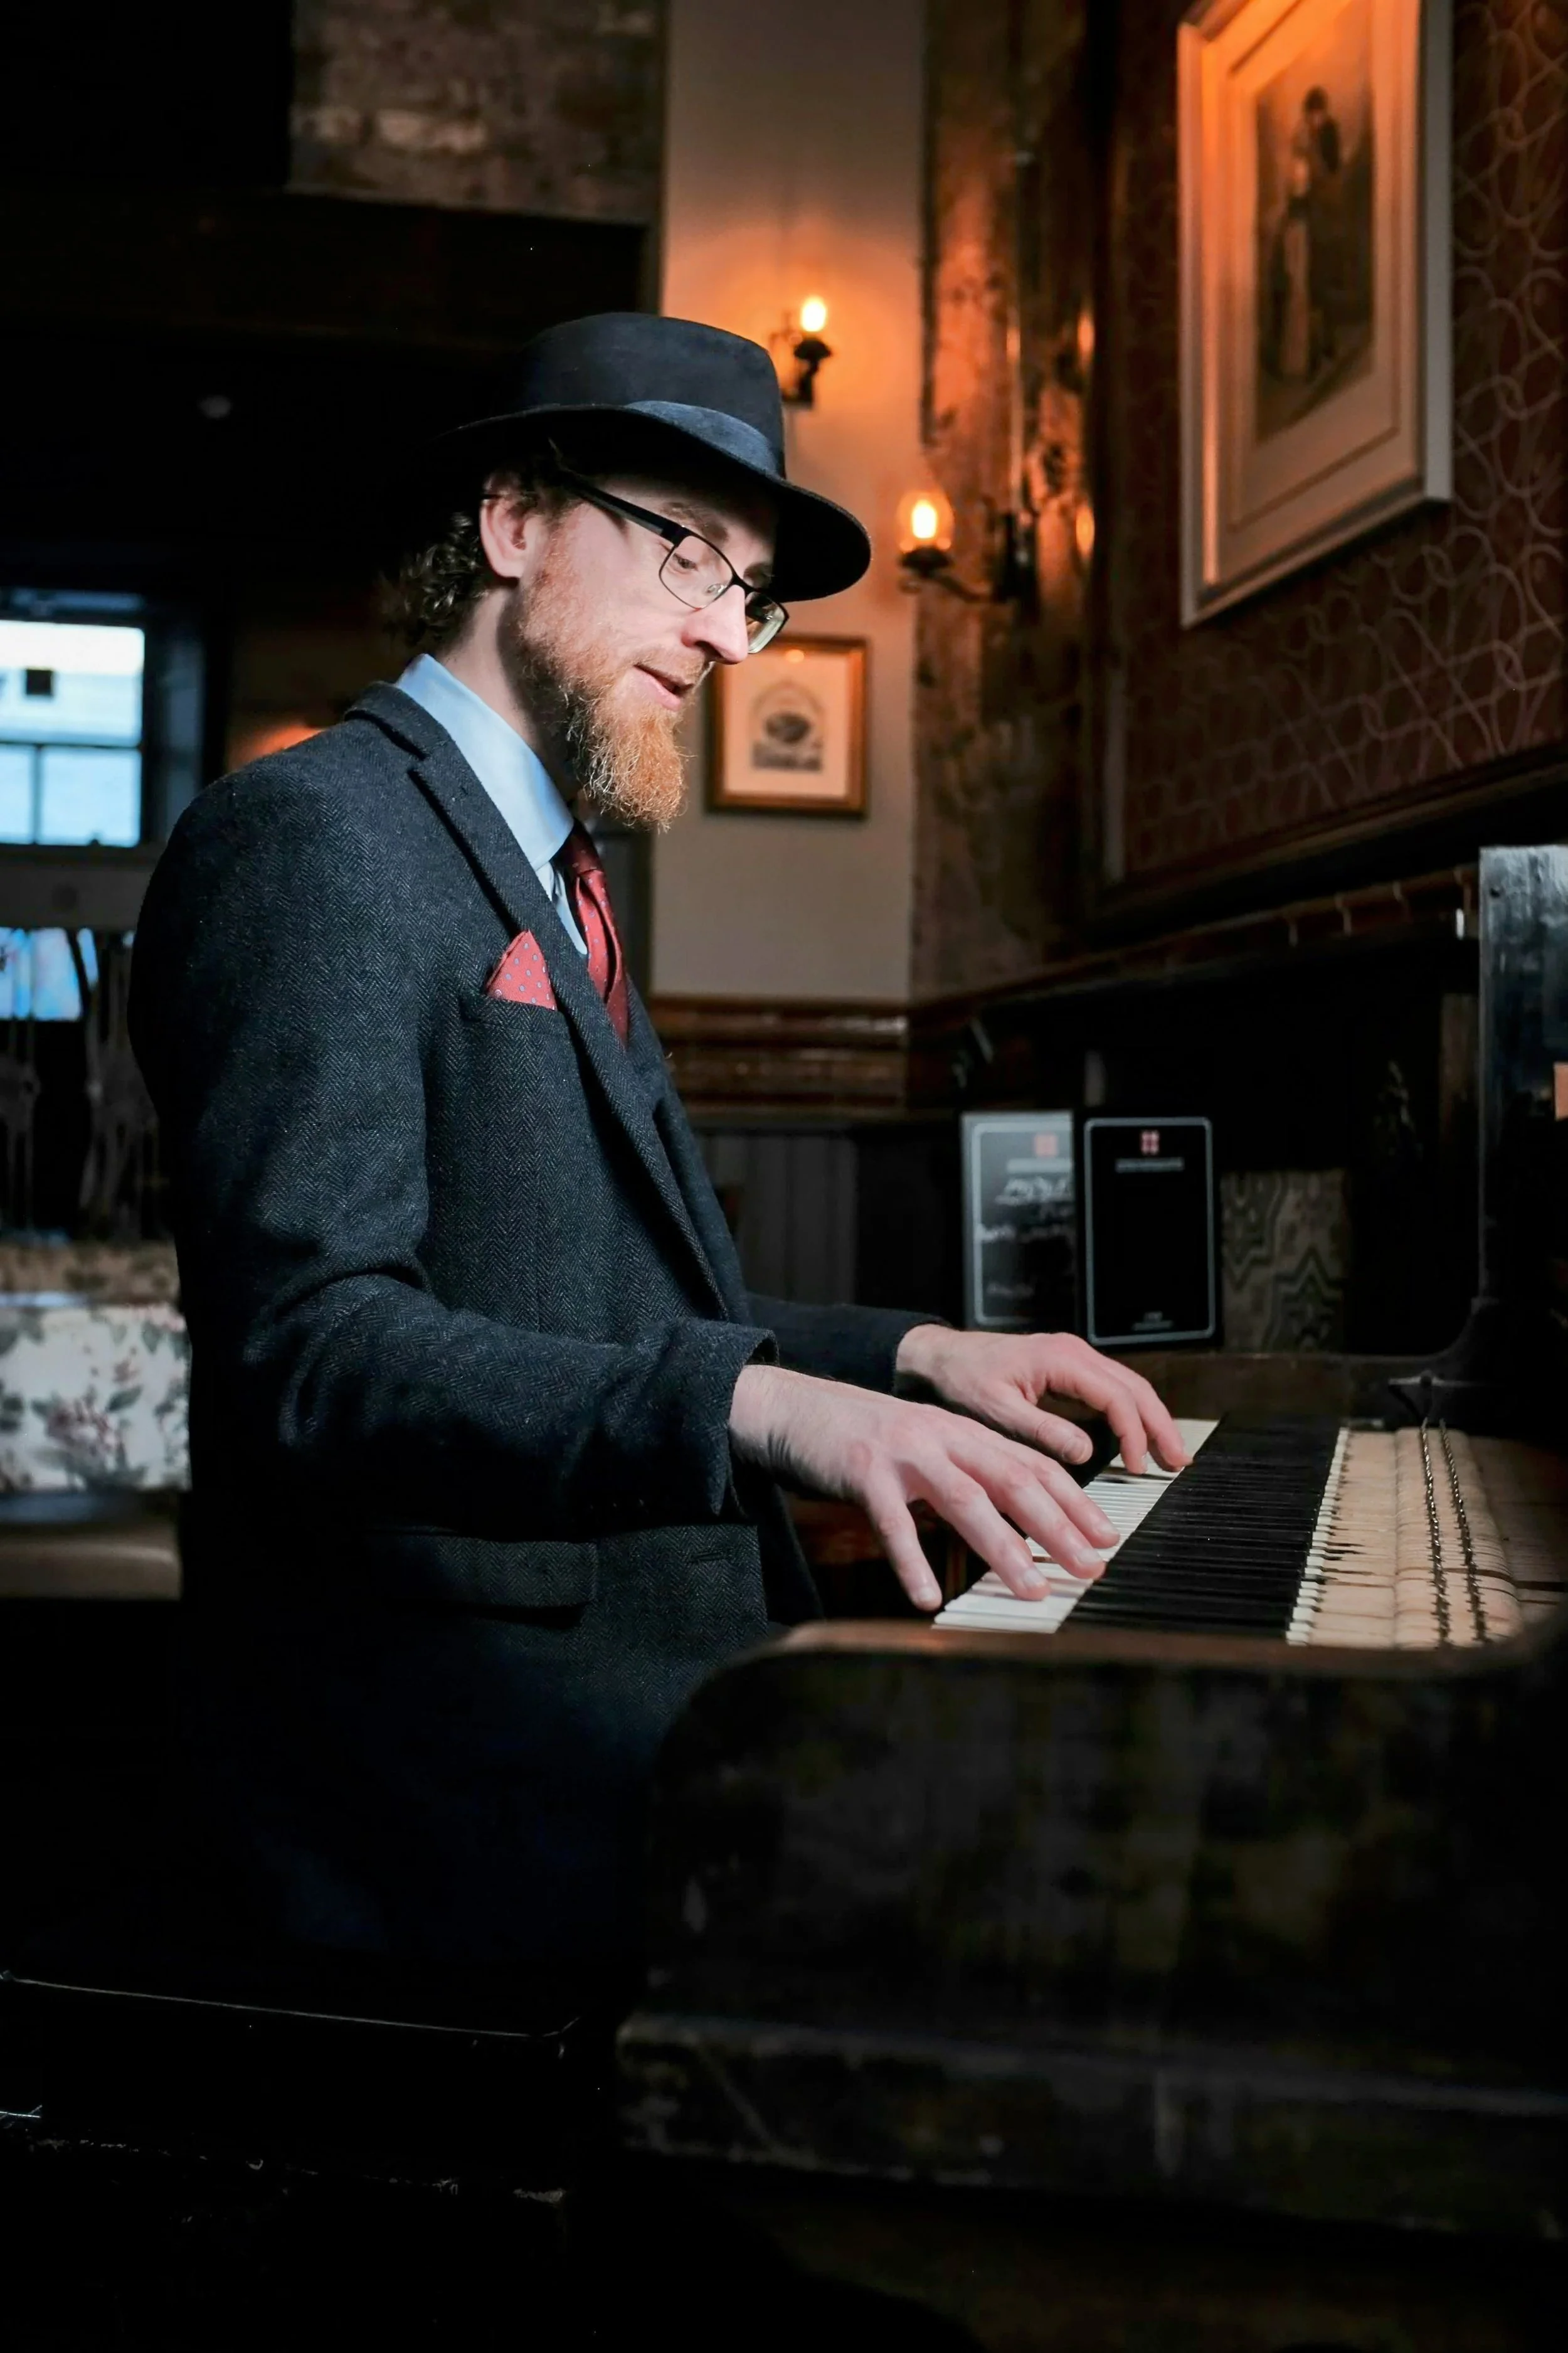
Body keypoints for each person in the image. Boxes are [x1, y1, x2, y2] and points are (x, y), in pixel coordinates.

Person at [129, 313, 1184, 2006]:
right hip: (449, 1790)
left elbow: (621, 1306)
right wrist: (759, 1409)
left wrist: (915, 1354)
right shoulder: (315, 829)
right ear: (512, 522)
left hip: (641, 1703)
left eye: (749, 590)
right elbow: (310, 1351)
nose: (722, 633)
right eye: (686, 549)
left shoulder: (550, 866)